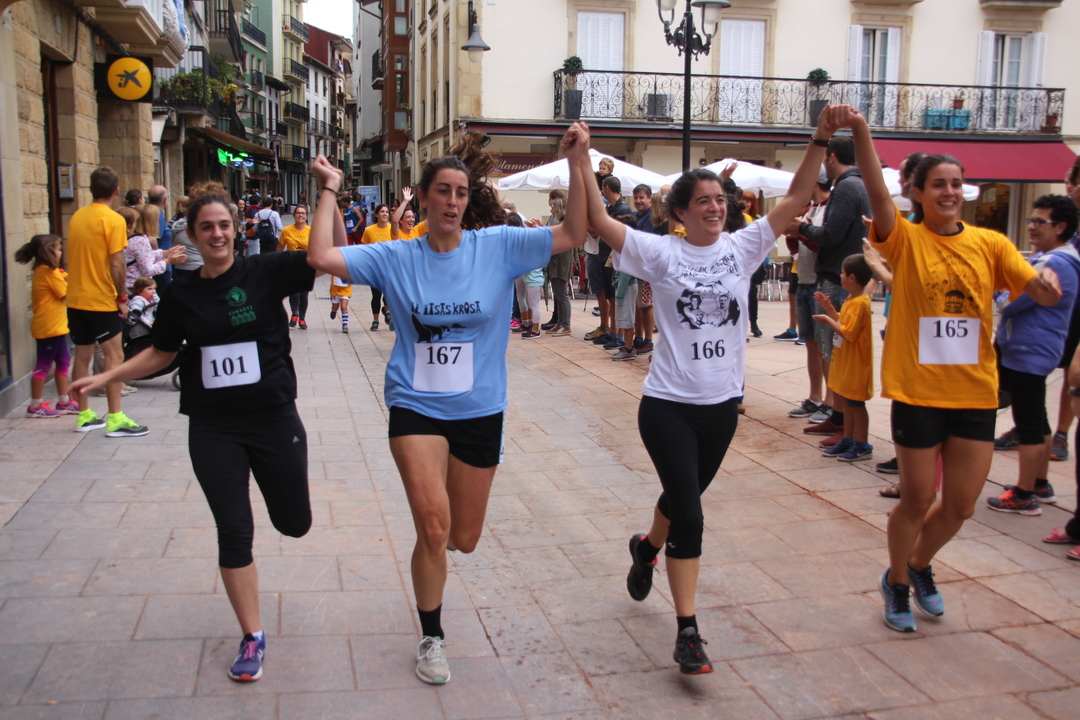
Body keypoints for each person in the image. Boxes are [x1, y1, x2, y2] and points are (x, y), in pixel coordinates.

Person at [304, 123, 589, 686]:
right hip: (415, 405)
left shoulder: (498, 247)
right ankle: (431, 635)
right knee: (434, 529)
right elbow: (320, 256)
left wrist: (579, 162)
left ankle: (436, 559)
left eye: (460, 193)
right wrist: (330, 188)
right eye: (442, 192)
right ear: (423, 197)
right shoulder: (395, 256)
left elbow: (576, 230)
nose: (453, 202)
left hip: (480, 409)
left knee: (463, 538)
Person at [584, 108, 843, 675]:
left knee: (682, 500)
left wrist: (820, 138)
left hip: (722, 409)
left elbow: (798, 197)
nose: (715, 207)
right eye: (702, 200)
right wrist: (583, 159)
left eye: (720, 199)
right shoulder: (662, 253)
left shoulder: (744, 247)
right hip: (667, 408)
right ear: (680, 211)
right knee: (692, 515)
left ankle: (646, 549)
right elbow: (599, 221)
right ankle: (688, 632)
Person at [69, 187, 319, 683]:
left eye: (224, 225)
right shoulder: (181, 294)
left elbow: (323, 256)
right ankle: (252, 635)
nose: (217, 234)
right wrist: (106, 377)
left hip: (273, 418)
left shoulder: (266, 271)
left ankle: (284, 529)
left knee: (295, 523)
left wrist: (328, 190)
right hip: (213, 426)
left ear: (236, 229)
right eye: (206, 227)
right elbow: (162, 352)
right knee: (234, 530)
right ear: (192, 235)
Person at [836, 106, 1063, 633]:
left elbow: (1037, 289)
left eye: (956, 184)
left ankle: (918, 565)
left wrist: (1047, 289)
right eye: (938, 184)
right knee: (918, 497)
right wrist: (861, 131)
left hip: (975, 392)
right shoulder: (905, 239)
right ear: (917, 192)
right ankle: (896, 581)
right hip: (919, 391)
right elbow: (876, 191)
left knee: (960, 505)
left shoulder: (991, 243)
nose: (949, 192)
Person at [986, 195, 1080, 516]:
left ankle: (1024, 494)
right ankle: (1039, 483)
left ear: (1061, 227)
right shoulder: (1059, 259)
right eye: (1031, 219)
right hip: (1036, 348)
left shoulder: (1053, 263)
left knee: (1028, 423)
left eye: (1040, 221)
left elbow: (1011, 301)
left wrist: (998, 292)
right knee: (1037, 417)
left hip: (1029, 349)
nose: (1031, 226)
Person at [787, 136, 872, 444]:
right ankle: (837, 418)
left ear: (832, 157)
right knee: (830, 351)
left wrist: (801, 228)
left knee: (834, 353)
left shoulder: (847, 187)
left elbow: (832, 234)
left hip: (837, 278)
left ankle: (843, 425)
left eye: (825, 157)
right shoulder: (856, 185)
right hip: (839, 276)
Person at [65, 166, 148, 438]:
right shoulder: (113, 220)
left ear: (91, 189)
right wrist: (122, 297)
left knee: (82, 355)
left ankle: (84, 414)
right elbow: (116, 263)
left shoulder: (77, 217)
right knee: (115, 355)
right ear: (116, 191)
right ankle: (115, 418)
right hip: (101, 299)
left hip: (75, 297)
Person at [812, 253, 875, 462]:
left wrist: (827, 320)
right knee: (848, 405)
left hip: (856, 365)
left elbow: (849, 333)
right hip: (847, 362)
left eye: (842, 273)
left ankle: (862, 444)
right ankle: (848, 439)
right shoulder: (851, 300)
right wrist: (829, 309)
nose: (840, 276)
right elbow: (844, 321)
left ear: (852, 278)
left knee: (857, 406)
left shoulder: (861, 303)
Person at [15, 234, 78, 418]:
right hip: (49, 327)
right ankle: (35, 405)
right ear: (50, 253)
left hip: (57, 327)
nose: (60, 253)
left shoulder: (48, 271)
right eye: (58, 249)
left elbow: (65, 279)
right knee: (43, 365)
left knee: (64, 361)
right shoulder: (48, 273)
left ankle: (64, 400)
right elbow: (66, 293)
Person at [786, 169, 831, 419]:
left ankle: (830, 401)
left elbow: (824, 241)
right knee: (811, 344)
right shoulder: (809, 209)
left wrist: (801, 231)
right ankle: (815, 397)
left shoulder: (830, 208)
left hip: (820, 282)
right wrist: (792, 233)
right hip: (804, 279)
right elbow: (797, 246)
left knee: (825, 346)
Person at [119, 206, 185, 292]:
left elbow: (143, 256)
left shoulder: (134, 237)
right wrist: (167, 261)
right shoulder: (141, 240)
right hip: (136, 287)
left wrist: (164, 253)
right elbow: (148, 270)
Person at [360, 203, 394, 330]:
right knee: (376, 295)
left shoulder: (393, 229)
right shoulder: (369, 230)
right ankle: (375, 320)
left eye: (387, 212)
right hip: (374, 269)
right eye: (382, 211)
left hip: (390, 268)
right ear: (376, 214)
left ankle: (386, 310)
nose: (385, 214)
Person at [278, 204, 312, 329]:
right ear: (294, 215)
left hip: (306, 265)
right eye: (298, 213)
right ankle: (294, 314)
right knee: (294, 293)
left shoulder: (311, 231)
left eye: (303, 213)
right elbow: (280, 249)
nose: (300, 215)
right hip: (291, 265)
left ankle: (302, 318)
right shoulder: (287, 230)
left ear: (307, 216)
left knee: (304, 294)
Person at [544, 197, 574, 337]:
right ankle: (560, 322)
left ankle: (566, 325)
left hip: (561, 263)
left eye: (553, 208)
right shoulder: (562, 224)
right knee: (558, 294)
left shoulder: (565, 225)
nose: (551, 211)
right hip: (556, 263)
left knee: (562, 295)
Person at [147, 185, 173, 289]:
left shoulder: (150, 212)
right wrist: (159, 256)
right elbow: (153, 239)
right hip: (161, 266)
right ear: (165, 200)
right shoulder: (157, 214)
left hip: (158, 265)